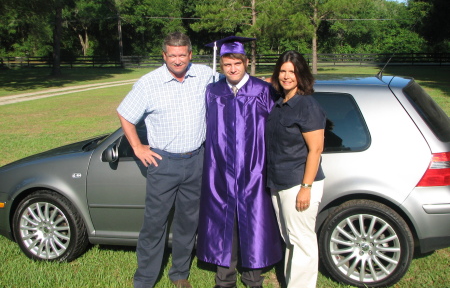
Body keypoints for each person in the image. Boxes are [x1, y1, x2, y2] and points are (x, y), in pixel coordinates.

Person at [117, 32, 217, 288]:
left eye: (182, 54)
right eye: (172, 55)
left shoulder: (205, 75)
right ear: (164, 56)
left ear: (190, 55)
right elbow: (125, 115)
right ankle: (145, 279)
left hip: (196, 160)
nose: (177, 60)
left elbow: (232, 83)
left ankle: (179, 274)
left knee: (187, 223)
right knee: (155, 223)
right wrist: (138, 147)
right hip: (164, 164)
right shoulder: (148, 83)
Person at [197, 36, 283, 288]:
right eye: (227, 64)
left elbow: (275, 130)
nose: (232, 69)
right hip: (220, 168)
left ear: (246, 62)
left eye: (237, 63)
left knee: (254, 220)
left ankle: (253, 277)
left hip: (254, 169)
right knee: (223, 220)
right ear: (221, 66)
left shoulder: (262, 91)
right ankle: (224, 279)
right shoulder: (213, 92)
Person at [265, 50, 326, 288]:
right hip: (279, 182)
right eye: (283, 71)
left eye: (292, 71)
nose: (287, 76)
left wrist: (306, 187)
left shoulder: (306, 105)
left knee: (302, 240)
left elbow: (316, 149)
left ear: (302, 74)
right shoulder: (282, 103)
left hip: (297, 183)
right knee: (291, 238)